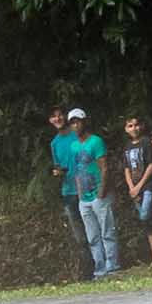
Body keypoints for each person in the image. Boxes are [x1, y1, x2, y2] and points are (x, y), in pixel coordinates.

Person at [55, 109, 118, 277]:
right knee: (92, 236)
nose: (75, 125)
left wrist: (101, 192)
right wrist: (81, 195)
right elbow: (76, 171)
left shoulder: (96, 141)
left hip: (99, 193)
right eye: (72, 123)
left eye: (78, 121)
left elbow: (104, 167)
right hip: (84, 197)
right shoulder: (74, 146)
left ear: (84, 122)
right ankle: (100, 269)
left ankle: (112, 266)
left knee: (106, 232)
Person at [48, 106, 90, 278]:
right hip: (68, 191)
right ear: (50, 120)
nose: (57, 119)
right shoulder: (54, 143)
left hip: (87, 188)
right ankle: (88, 271)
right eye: (53, 116)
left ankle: (105, 266)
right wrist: (57, 172)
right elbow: (58, 165)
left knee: (93, 229)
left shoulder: (77, 135)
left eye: (60, 115)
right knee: (79, 236)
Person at [121, 115, 152, 266]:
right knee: (147, 220)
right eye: (130, 126)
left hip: (149, 185)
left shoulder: (146, 142)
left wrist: (140, 185)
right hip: (135, 188)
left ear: (141, 126)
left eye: (136, 125)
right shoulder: (127, 146)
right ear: (126, 129)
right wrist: (131, 187)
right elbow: (126, 168)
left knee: (146, 215)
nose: (134, 128)